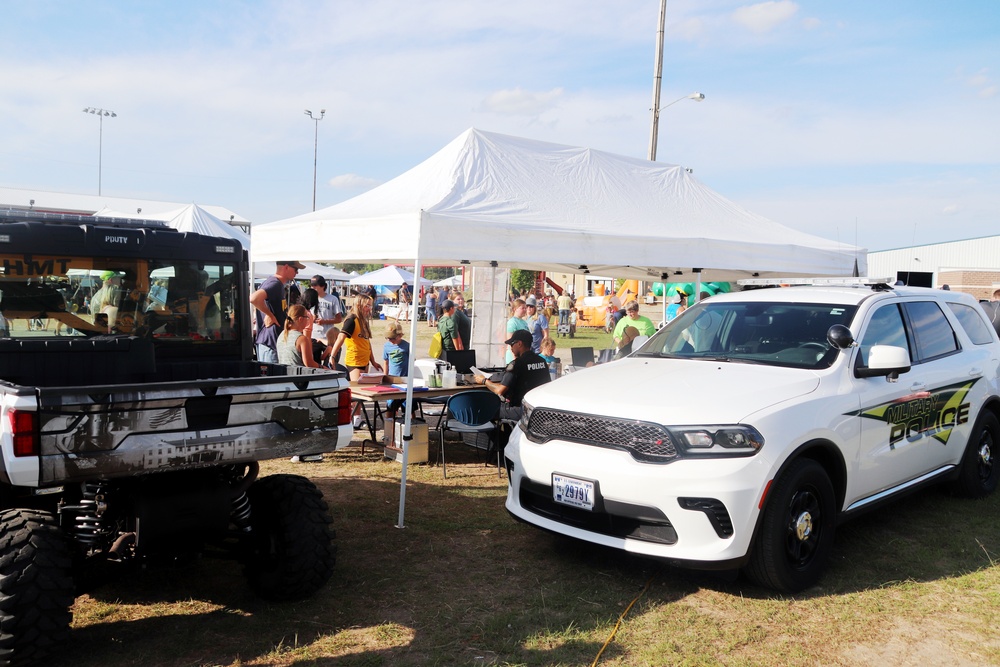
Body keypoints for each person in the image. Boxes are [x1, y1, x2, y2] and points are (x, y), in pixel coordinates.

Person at [472, 329, 550, 424]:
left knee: (483, 409)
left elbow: (500, 390)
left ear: (519, 344)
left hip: (520, 410)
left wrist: (484, 380)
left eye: (512, 344)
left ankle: (495, 439)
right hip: (538, 410)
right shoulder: (542, 361)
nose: (511, 348)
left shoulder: (517, 364)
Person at [250, 261, 304, 363]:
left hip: (270, 342)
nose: (297, 273)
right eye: (296, 269)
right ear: (286, 267)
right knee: (272, 377)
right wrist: (269, 314)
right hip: (269, 343)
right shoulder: (275, 284)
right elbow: (253, 298)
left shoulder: (275, 283)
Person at [329, 293, 383, 382]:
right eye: (367, 306)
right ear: (358, 305)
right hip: (355, 362)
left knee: (364, 388)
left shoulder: (363, 320)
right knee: (357, 389)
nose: (369, 309)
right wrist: (332, 356)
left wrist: (373, 361)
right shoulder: (351, 320)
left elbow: (367, 343)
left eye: (370, 306)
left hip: (365, 362)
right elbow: (340, 337)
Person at [382, 319, 411, 447]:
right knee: (390, 407)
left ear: (400, 335)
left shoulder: (406, 346)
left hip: (405, 381)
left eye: (393, 339)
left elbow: (412, 361)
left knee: (409, 406)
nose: (390, 341)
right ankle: (389, 433)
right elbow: (386, 362)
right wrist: (385, 376)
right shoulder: (386, 346)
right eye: (388, 338)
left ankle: (411, 431)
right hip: (392, 381)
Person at [309, 276, 343, 361]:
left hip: (328, 337)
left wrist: (324, 321)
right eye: (311, 285)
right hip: (314, 337)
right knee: (314, 365)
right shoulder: (309, 298)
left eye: (315, 285)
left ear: (323, 286)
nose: (312, 287)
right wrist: (311, 319)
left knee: (329, 364)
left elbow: (339, 319)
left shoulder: (332, 299)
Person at [505, 298, 529, 363]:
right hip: (514, 356)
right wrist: (514, 357)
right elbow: (510, 341)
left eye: (525, 308)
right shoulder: (512, 322)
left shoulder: (524, 322)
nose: (525, 310)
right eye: (522, 308)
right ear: (515, 309)